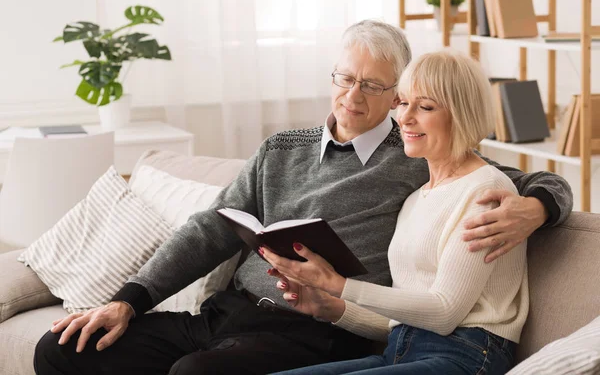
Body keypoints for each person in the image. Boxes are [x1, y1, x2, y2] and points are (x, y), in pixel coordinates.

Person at [34, 20, 572, 375]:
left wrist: (540, 205)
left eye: (373, 85)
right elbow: (210, 228)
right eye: (344, 77)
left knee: (195, 373)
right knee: (61, 352)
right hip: (230, 314)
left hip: (320, 329)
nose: (352, 96)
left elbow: (507, 178)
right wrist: (128, 300)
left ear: (396, 95)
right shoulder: (280, 151)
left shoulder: (414, 153)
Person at [264, 49, 528, 375]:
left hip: (465, 357)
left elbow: (445, 313)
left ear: (463, 114)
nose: (404, 117)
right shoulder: (416, 198)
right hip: (401, 351)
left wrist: (338, 284)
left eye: (425, 106)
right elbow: (405, 319)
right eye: (403, 102)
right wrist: (332, 308)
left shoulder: (485, 192)